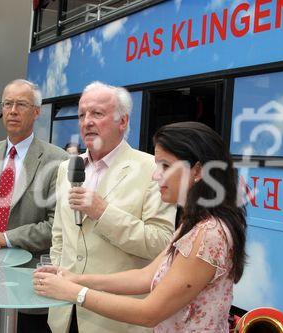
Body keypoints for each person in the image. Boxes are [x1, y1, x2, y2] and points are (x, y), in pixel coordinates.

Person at [34, 121, 247, 333]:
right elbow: (146, 277)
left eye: (166, 165)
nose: (155, 175)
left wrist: (74, 292)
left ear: (198, 171)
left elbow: (148, 313)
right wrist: (76, 278)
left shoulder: (209, 233)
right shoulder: (195, 223)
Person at [47, 81, 177, 333]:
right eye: (82, 114)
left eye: (97, 113)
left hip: (116, 321)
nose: (86, 122)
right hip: (65, 313)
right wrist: (58, 272)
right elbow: (59, 234)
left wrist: (102, 212)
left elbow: (161, 244)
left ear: (123, 121)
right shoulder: (67, 167)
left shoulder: (152, 169)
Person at [0, 79, 68, 332]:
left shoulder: (58, 160)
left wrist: (4, 237)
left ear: (37, 111)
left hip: (29, 284)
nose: (13, 110)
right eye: (7, 104)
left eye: (21, 104)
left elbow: (55, 225)